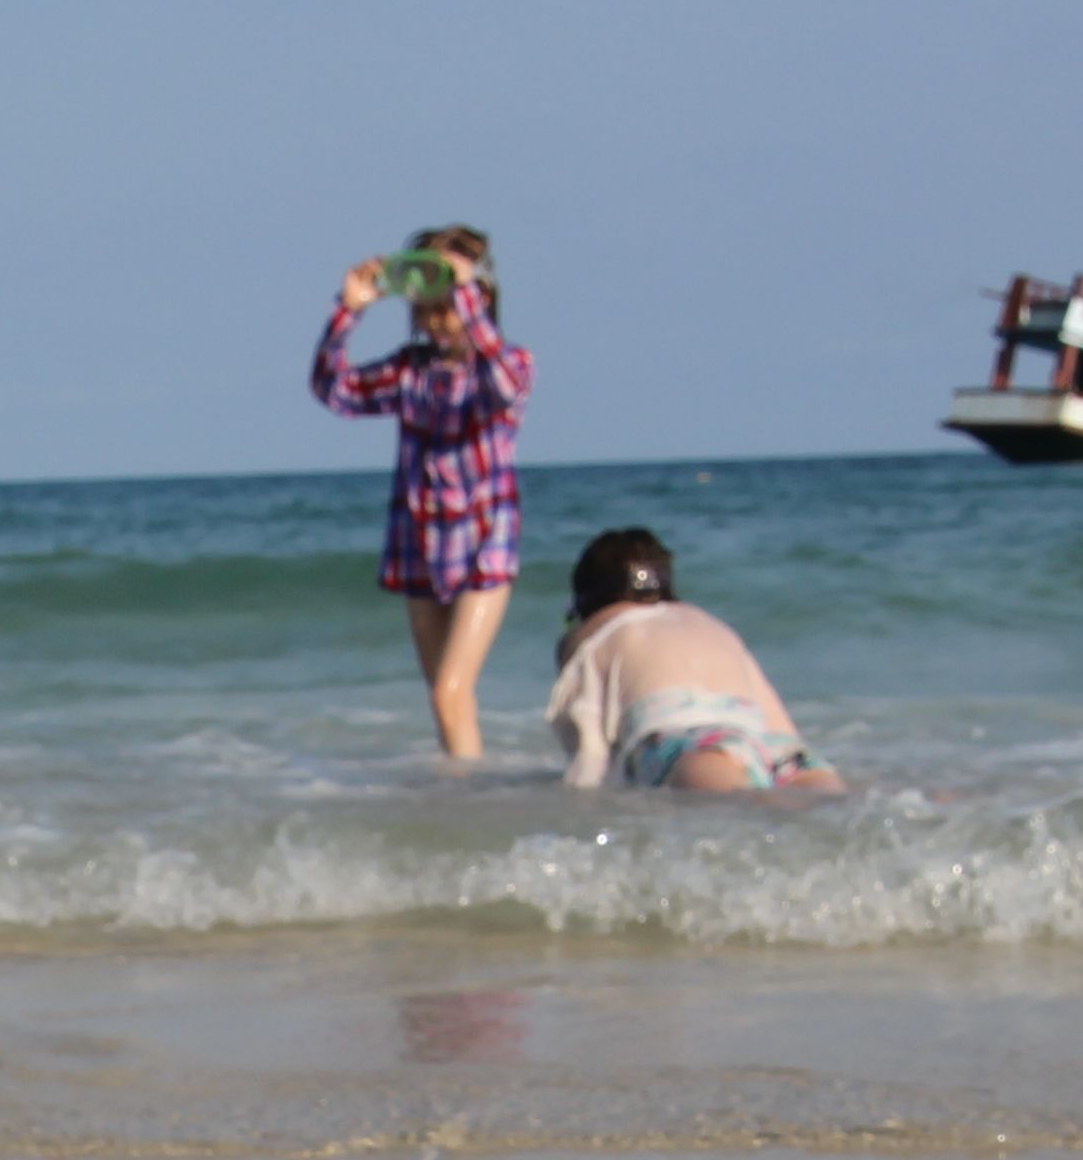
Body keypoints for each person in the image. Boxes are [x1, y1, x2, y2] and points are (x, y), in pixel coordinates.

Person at [310, 228, 530, 759]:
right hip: (419, 538)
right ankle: (465, 793)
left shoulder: (506, 364)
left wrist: (466, 292)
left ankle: (468, 804)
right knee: (447, 700)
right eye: (427, 309)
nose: (437, 320)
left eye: (447, 307)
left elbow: (502, 384)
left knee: (450, 689)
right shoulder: (410, 369)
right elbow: (333, 390)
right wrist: (349, 309)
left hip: (483, 536)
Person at [543, 528, 841, 802]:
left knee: (740, 810)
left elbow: (588, 751)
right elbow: (783, 730)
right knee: (828, 812)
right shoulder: (711, 624)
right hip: (775, 747)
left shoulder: (592, 633)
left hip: (689, 744)